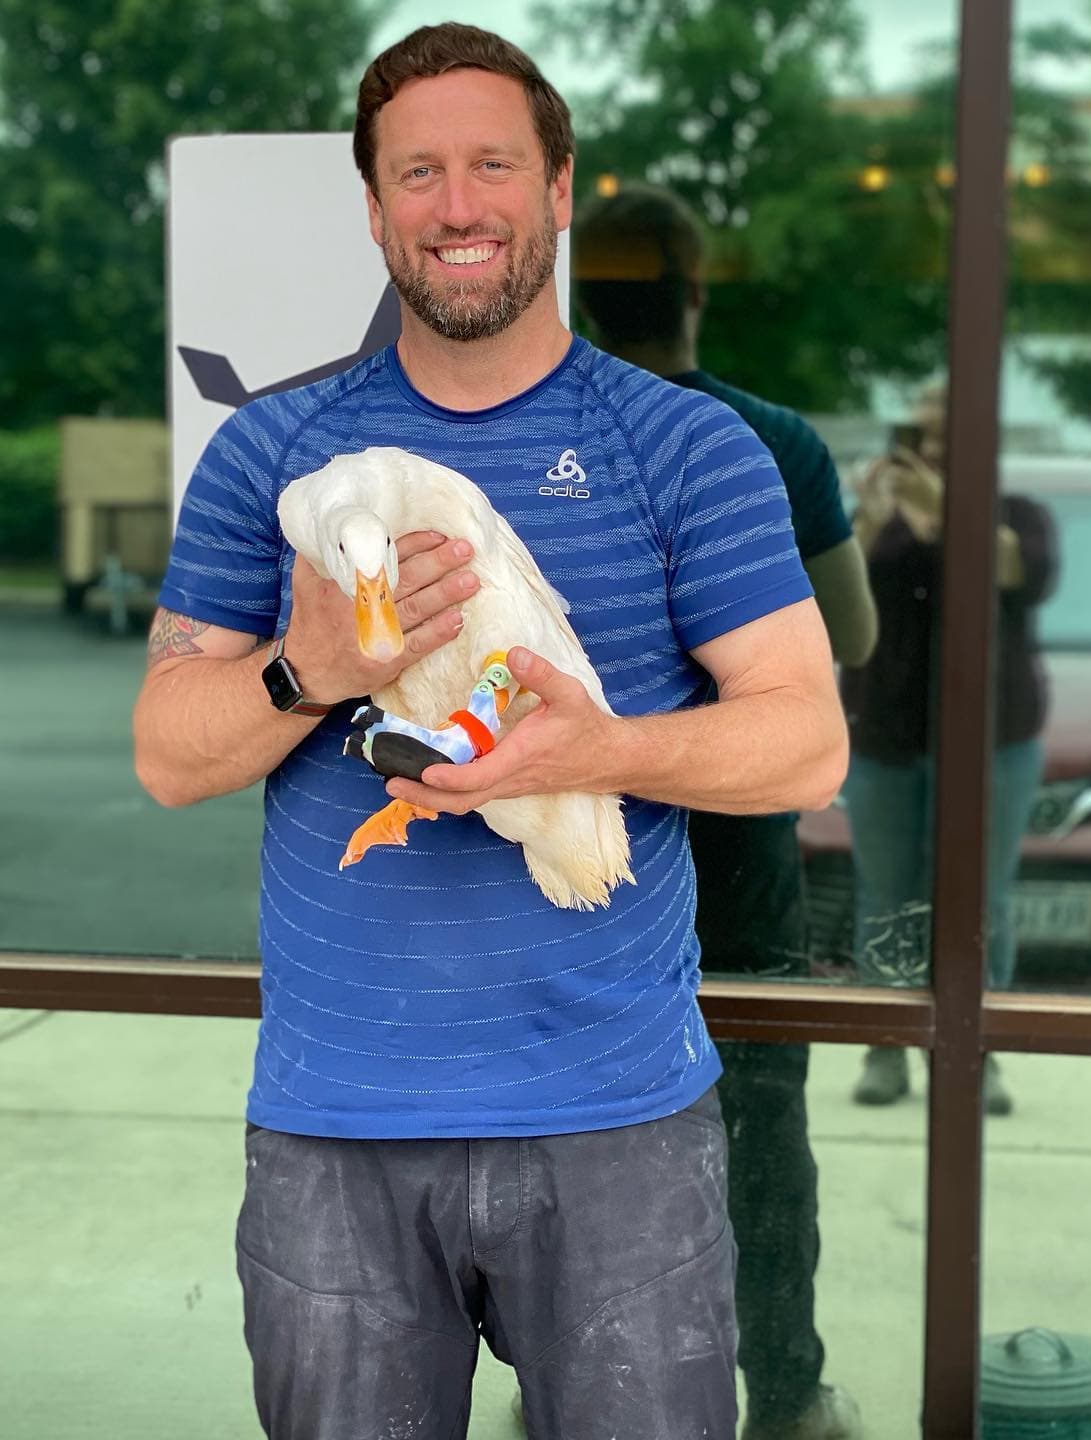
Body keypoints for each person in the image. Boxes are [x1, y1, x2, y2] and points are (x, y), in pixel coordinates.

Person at [133, 24, 846, 1440]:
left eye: (493, 166)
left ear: (562, 188)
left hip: (618, 1120)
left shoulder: (687, 448)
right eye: (418, 174)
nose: (457, 207)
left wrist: (598, 751)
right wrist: (310, 666)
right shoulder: (270, 455)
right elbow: (167, 754)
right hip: (335, 1123)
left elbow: (809, 744)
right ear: (376, 206)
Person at [574, 181, 874, 1440]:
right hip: (740, 846)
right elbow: (852, 631)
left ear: (580, 294)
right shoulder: (772, 441)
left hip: (580, 847)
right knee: (756, 1131)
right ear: (697, 294)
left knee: (581, 1140)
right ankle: (787, 1398)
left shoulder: (546, 433)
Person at [840, 385, 1059, 1113]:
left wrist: (950, 507)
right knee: (887, 894)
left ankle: (978, 1051)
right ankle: (889, 1047)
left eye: (947, 438)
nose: (931, 452)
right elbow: (842, 609)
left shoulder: (1014, 515)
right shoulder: (887, 520)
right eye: (921, 437)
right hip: (889, 739)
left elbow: (1020, 571)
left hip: (989, 742)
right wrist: (871, 525)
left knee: (978, 896)